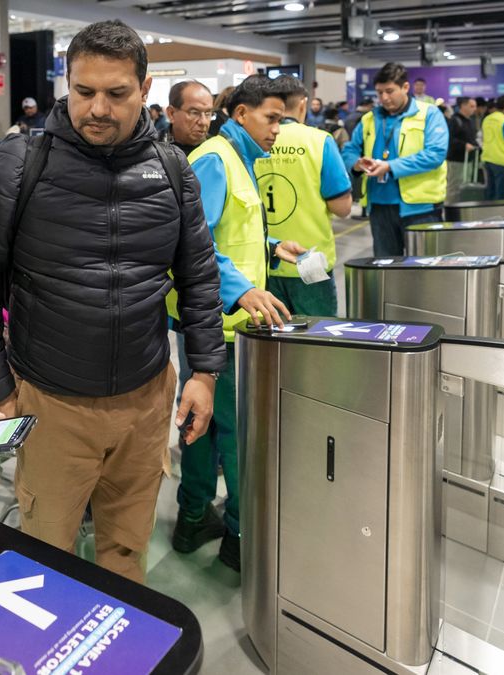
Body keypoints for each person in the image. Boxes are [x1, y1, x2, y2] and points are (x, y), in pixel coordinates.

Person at [0, 19, 225, 584]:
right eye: (84, 92)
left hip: (147, 398)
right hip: (52, 402)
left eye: (116, 93)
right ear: (67, 84)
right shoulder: (21, 164)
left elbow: (198, 274)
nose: (97, 108)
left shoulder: (173, 169)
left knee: (127, 555)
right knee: (46, 560)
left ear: (145, 90)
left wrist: (204, 371)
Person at [175, 74, 306, 572]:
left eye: (283, 119)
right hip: (219, 325)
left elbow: (227, 232)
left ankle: (192, 521)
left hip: (224, 322)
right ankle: (239, 538)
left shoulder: (240, 160)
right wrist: (240, 289)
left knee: (204, 430)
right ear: (241, 114)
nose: (278, 128)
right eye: (272, 118)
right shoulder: (214, 159)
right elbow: (193, 242)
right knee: (236, 436)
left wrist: (273, 248)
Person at [255, 75, 352, 317]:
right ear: (303, 105)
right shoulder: (319, 142)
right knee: (318, 342)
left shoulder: (253, 143)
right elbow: (343, 208)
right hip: (309, 263)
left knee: (271, 345)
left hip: (262, 262)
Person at [341, 63, 449, 256]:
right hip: (380, 208)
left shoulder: (429, 114)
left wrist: (390, 166)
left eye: (389, 91)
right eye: (379, 92)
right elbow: (349, 150)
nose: (384, 98)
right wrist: (356, 164)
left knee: (424, 270)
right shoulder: (369, 119)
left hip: (420, 208)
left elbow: (435, 155)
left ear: (405, 87)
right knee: (387, 270)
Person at [163, 79, 214, 154]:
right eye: (194, 113)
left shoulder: (216, 149)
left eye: (208, 113)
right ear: (171, 113)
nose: (204, 122)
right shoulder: (152, 149)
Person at [446, 96, 479, 204]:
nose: (474, 109)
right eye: (471, 106)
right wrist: (464, 145)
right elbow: (450, 140)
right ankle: (450, 211)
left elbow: (471, 138)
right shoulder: (454, 120)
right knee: (454, 187)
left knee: (465, 187)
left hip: (468, 160)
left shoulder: (470, 121)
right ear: (463, 106)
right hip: (456, 160)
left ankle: (461, 210)